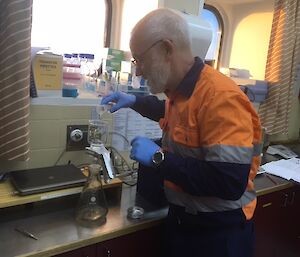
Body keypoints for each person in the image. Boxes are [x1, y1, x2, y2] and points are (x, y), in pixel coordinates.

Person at [101, 8, 262, 257]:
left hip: (218, 235)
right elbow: (168, 112)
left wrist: (159, 158)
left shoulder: (221, 97)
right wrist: (134, 100)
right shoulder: (181, 94)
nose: (138, 71)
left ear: (167, 49)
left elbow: (229, 181)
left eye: (141, 60)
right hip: (183, 224)